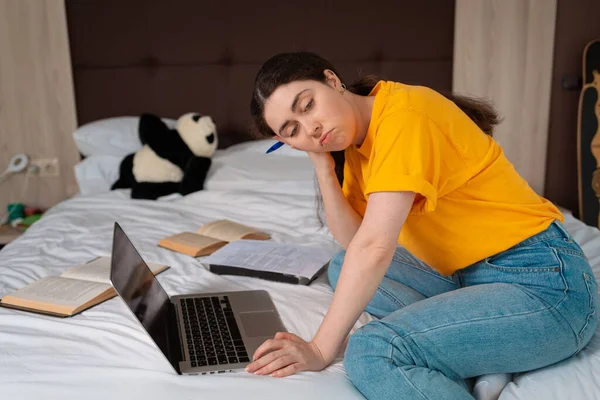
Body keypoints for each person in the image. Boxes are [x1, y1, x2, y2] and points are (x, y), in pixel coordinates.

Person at [244, 51, 598, 400]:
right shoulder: (355, 146)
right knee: (341, 266)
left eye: (307, 105)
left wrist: (320, 349)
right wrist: (322, 166)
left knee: (375, 350)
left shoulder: (404, 116)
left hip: (546, 286)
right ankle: (478, 347)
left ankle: (481, 340)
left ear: (332, 81)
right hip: (470, 275)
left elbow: (374, 249)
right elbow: (355, 242)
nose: (311, 128)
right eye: (292, 131)